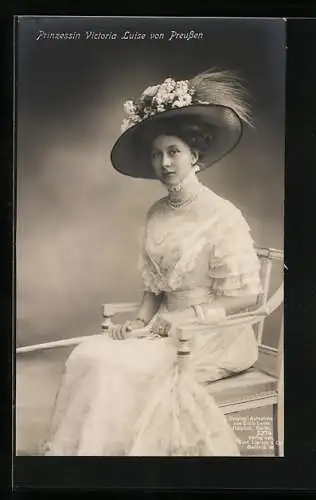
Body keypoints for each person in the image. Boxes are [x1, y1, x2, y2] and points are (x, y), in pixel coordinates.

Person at [42, 69, 262, 456]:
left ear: (195, 155)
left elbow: (245, 297)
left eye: (174, 151)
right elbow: (154, 291)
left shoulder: (222, 214)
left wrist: (188, 317)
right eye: (157, 154)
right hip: (161, 332)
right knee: (90, 354)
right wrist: (139, 322)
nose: (165, 162)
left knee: (121, 369)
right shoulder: (156, 213)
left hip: (215, 336)